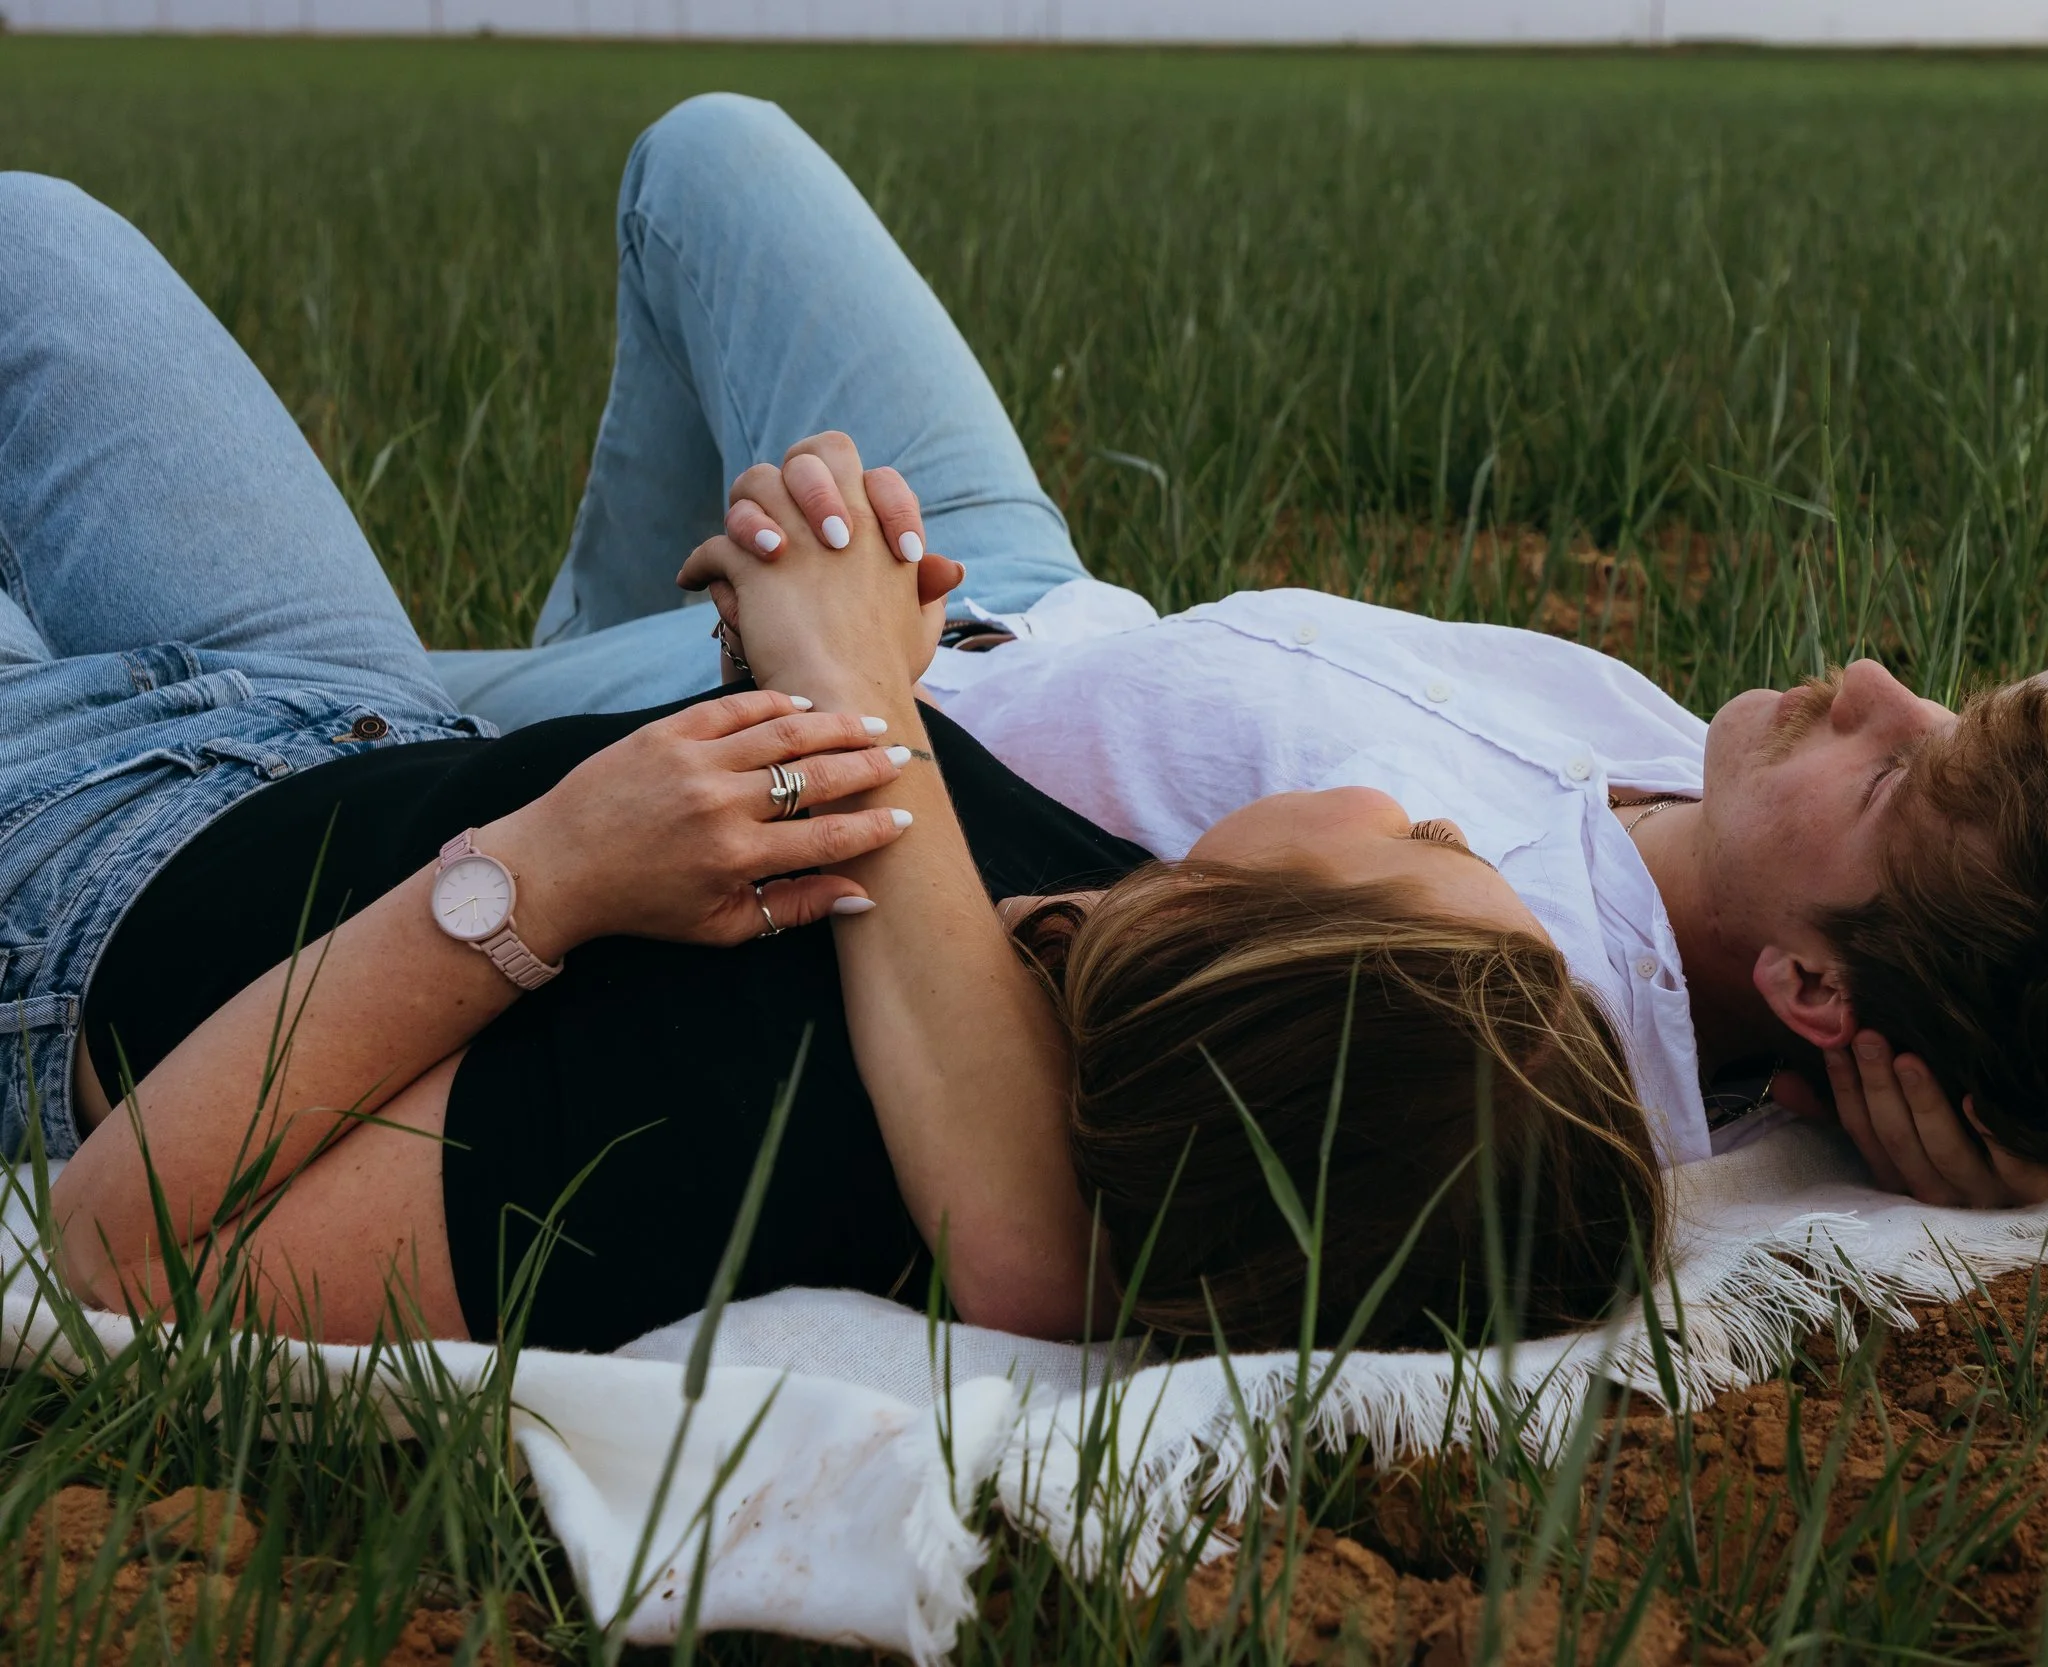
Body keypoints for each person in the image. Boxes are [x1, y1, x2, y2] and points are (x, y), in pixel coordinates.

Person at [439, 95, 2048, 1214]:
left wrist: (2022, 1102)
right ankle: (581, 650)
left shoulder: (1516, 994)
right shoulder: (1743, 813)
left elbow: (1042, 1206)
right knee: (714, 154)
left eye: (1896, 773)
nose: (1877, 685)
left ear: (1816, 994)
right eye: (1942, 718)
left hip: (821, 714)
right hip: (1025, 579)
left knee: (335, 725)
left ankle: (555, 699)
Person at [0, 167, 1663, 1356]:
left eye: (1427, 845)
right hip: (336, 720)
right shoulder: (1089, 944)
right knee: (39, 245)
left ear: (1282, 962)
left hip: (67, 889)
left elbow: (123, 1240)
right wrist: (809, 667)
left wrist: (557, 867)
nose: (1426, 806)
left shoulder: (737, 1155)